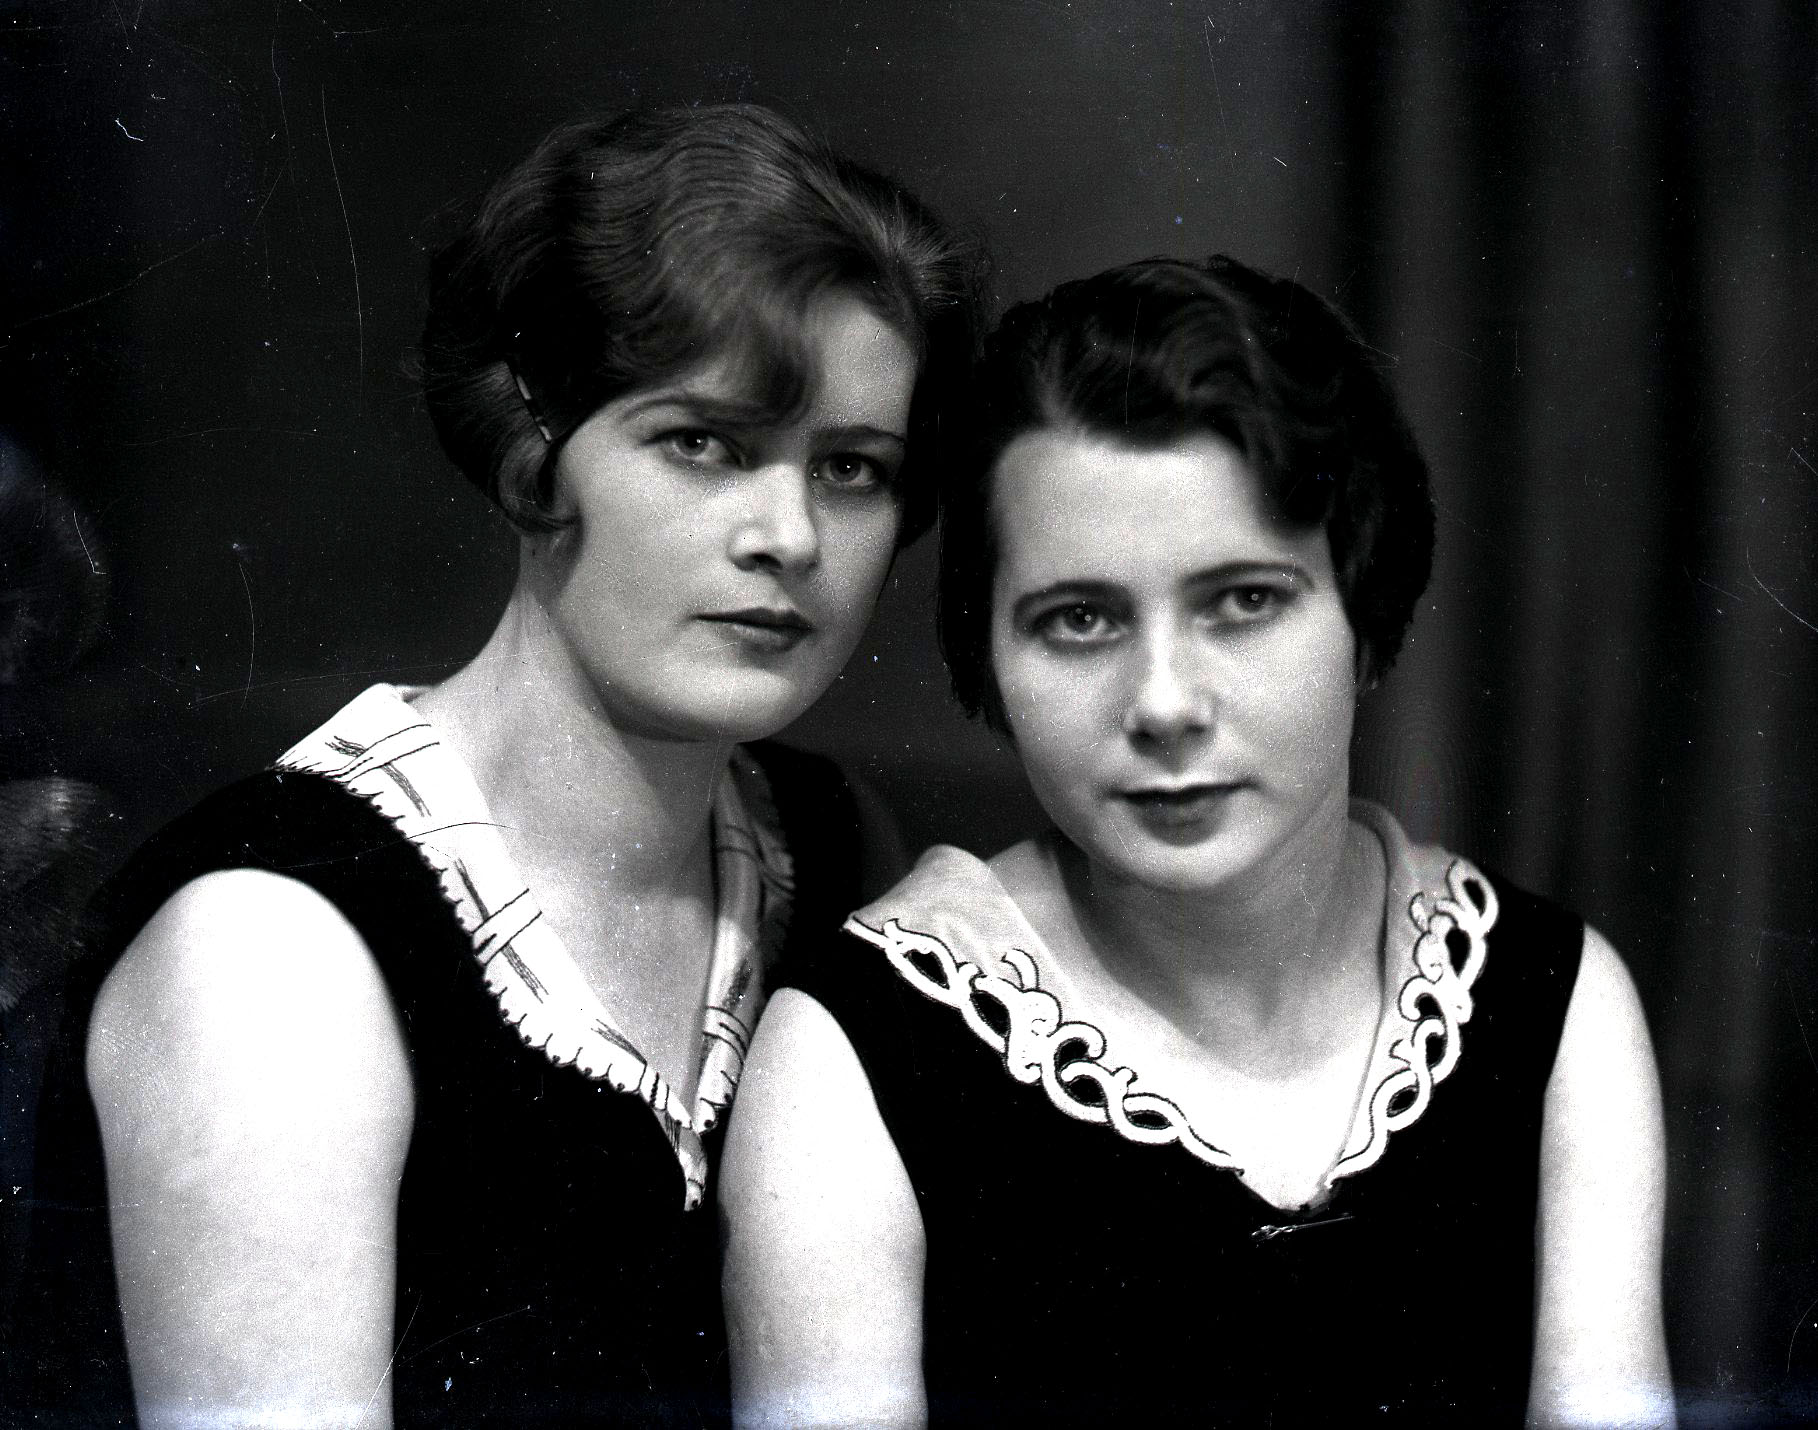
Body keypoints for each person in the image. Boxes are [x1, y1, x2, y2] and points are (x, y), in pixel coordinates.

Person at [10, 104, 984, 1428]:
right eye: (702, 442)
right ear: (531, 440)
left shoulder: (829, 839)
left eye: (853, 468)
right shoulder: (273, 948)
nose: (790, 534)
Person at [720, 254, 1673, 1427]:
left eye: (1243, 601)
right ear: (990, 655)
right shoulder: (851, 1055)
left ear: (1365, 612)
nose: (1165, 703)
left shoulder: (1552, 999)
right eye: (1079, 618)